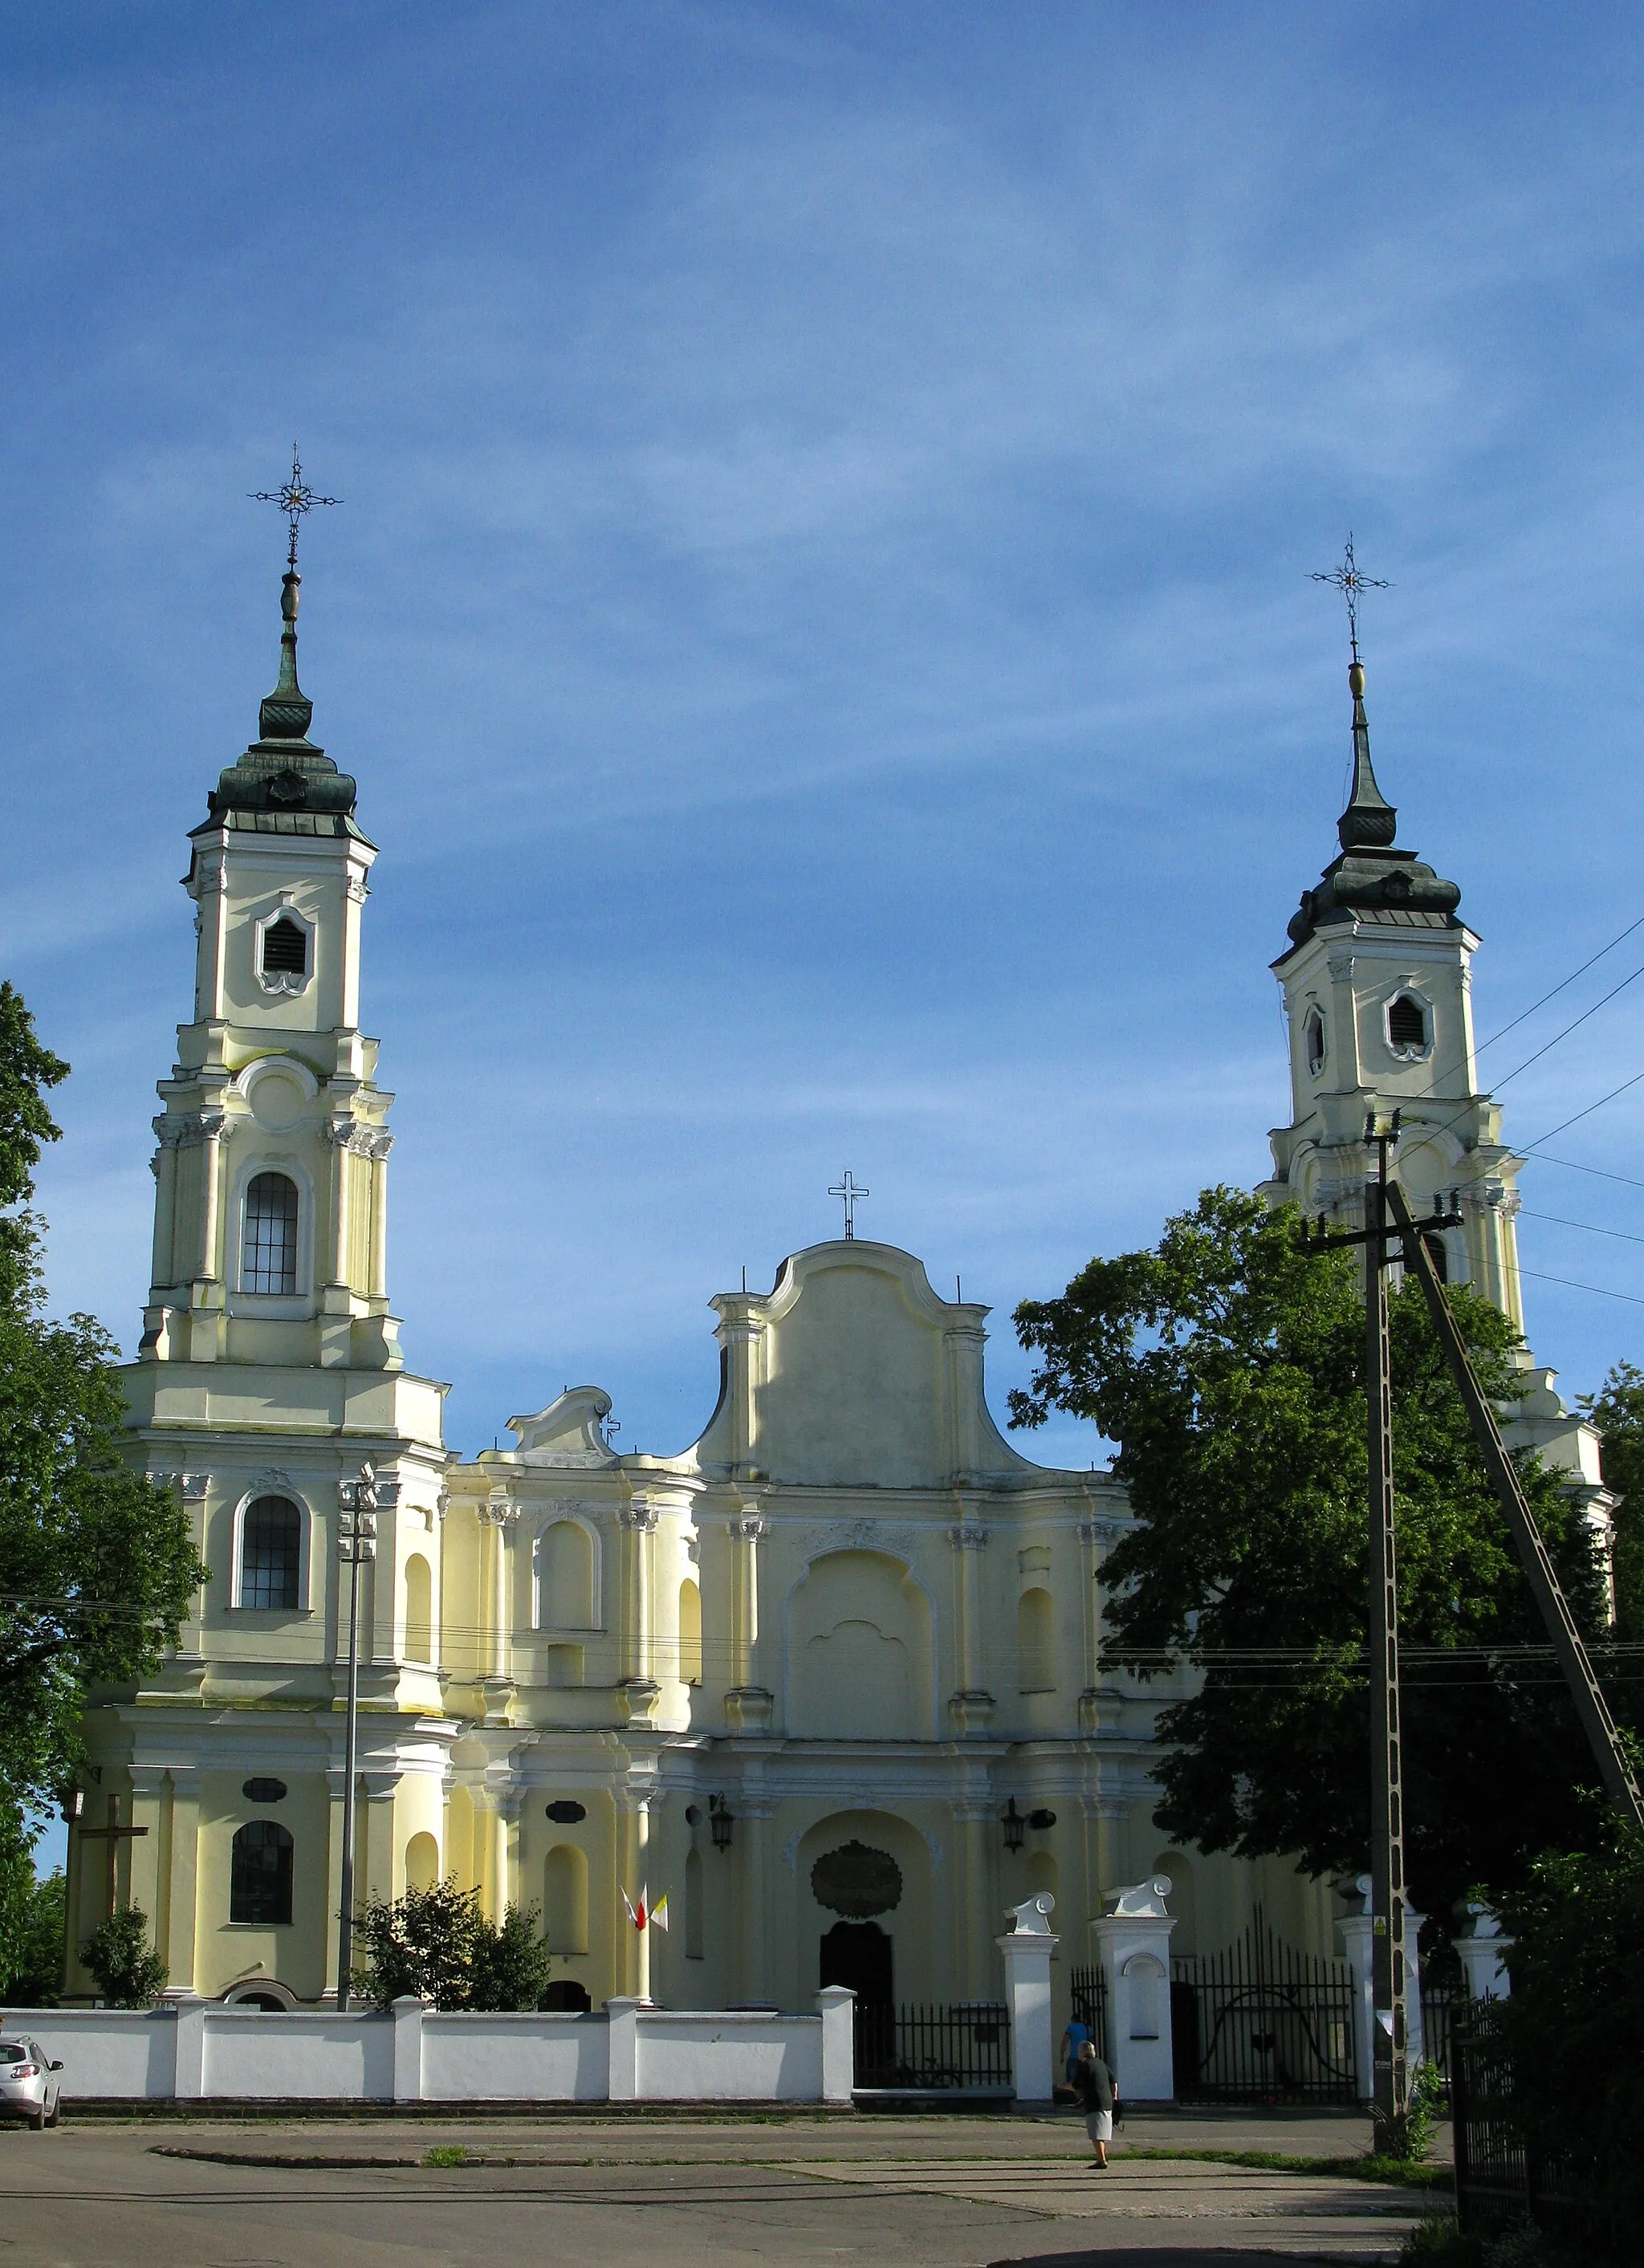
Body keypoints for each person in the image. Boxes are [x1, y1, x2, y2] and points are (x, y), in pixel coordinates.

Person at [1072, 2038, 1117, 2168]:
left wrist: (1077, 2095)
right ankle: (1101, 2158)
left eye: (1079, 2050)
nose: (1078, 2053)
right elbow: (1113, 2080)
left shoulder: (1084, 2065)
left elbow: (1076, 2084)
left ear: (1083, 2052)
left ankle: (1102, 2160)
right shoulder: (1101, 2063)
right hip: (1107, 2101)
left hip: (1094, 2101)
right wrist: (1115, 2096)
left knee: (1096, 2133)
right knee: (1101, 2132)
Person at [1060, 2014, 1092, 2088]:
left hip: (1074, 2057)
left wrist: (1062, 2055)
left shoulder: (1071, 2028)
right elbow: (1091, 2042)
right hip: (1086, 2058)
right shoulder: (1088, 2028)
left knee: (1072, 2080)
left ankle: (1072, 2095)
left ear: (1072, 2020)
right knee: (1085, 2079)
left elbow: (1065, 2042)